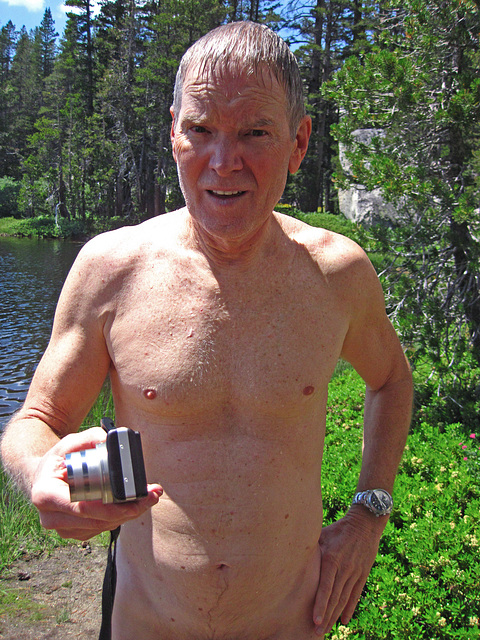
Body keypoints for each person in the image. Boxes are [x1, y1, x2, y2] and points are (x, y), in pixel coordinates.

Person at [1, 21, 413, 640]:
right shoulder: (112, 270)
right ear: (173, 132)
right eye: (200, 129)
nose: (224, 162)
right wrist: (40, 476)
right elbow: (36, 420)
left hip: (288, 623)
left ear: (299, 142)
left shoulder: (337, 276)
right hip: (146, 623)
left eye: (255, 132)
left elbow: (391, 380)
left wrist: (368, 516)